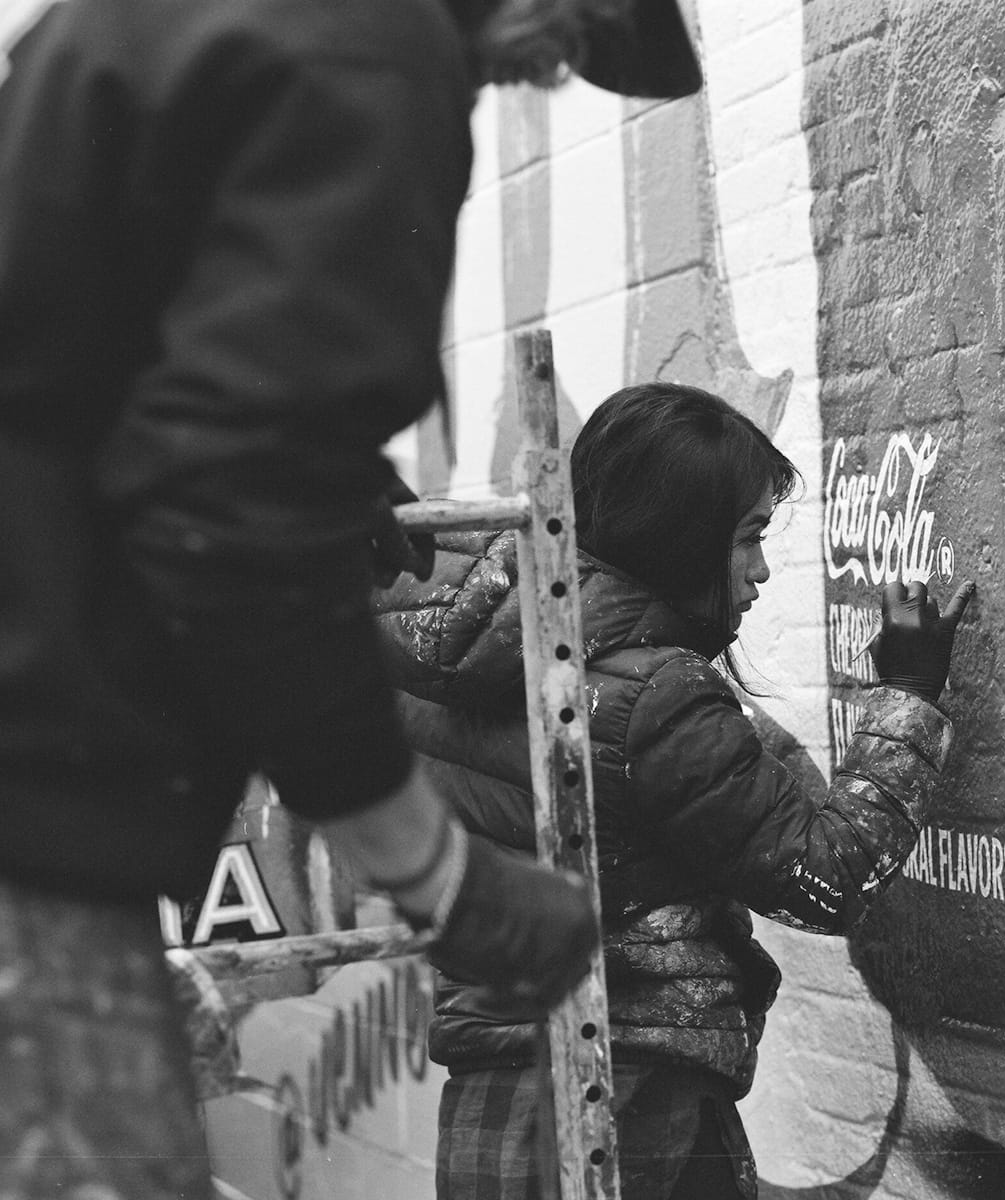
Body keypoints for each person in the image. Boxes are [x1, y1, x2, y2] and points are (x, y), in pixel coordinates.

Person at [0, 1, 701, 1196]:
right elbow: (235, 517)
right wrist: (432, 871)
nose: (550, 68)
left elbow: (94, 350)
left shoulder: (223, 24)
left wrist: (322, 465)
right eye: (580, 27)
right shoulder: (368, 53)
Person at [372, 382, 977, 1199]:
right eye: (747, 539)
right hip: (630, 1106)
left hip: (491, 1099)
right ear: (679, 540)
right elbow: (826, 878)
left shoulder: (447, 674)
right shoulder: (658, 694)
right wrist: (909, 696)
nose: (761, 571)